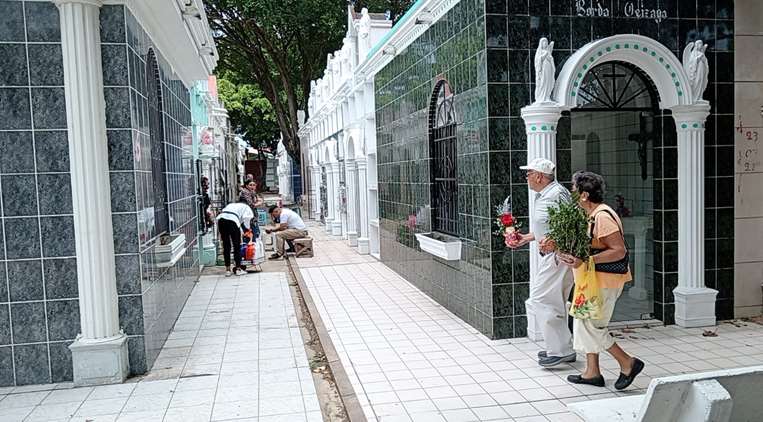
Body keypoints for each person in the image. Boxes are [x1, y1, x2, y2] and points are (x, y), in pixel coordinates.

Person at [554, 171, 644, 389]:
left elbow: (619, 251)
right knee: (583, 321)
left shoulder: (602, 216)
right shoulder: (590, 214)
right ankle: (592, 372)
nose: (572, 193)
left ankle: (627, 362)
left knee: (591, 326)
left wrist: (585, 259)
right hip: (591, 281)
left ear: (584, 195)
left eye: (574, 190)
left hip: (604, 281)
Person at [507, 158, 576, 367]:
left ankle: (560, 350)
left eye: (528, 174)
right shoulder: (548, 194)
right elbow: (547, 227)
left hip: (559, 256)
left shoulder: (555, 194)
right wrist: (526, 238)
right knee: (552, 300)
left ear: (539, 176)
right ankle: (561, 348)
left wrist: (557, 244)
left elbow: (572, 223)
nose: (526, 178)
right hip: (555, 255)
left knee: (541, 299)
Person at [216, 198, 254, 277]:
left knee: (226, 245)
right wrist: (248, 229)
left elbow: (238, 221)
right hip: (232, 221)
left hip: (221, 220)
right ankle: (238, 269)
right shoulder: (246, 207)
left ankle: (228, 270)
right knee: (237, 246)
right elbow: (247, 219)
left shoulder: (231, 205)